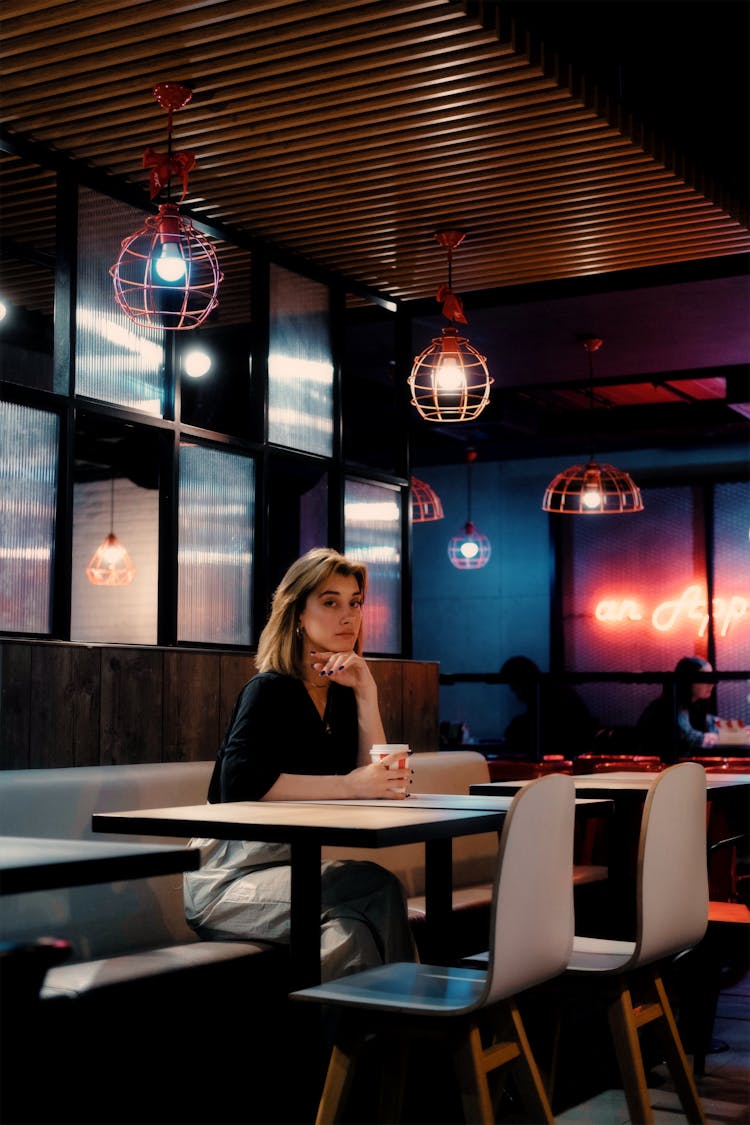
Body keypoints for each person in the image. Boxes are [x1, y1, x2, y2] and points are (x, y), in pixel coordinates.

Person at [183, 547, 417, 982]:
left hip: (291, 870)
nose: (348, 616)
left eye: (355, 603)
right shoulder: (269, 689)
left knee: (357, 925)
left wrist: (367, 692)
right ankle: (405, 1031)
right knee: (375, 891)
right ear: (296, 614)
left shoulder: (342, 694)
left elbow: (381, 783)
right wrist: (350, 786)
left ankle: (378, 1039)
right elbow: (238, 784)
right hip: (228, 881)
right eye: (330, 602)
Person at [499, 655, 595, 760]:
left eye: (514, 685)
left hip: (563, 754)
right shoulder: (550, 691)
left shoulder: (547, 696)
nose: (513, 691)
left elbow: (541, 728)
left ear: (523, 681)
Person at [636, 656, 719, 763]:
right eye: (704, 678)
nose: (711, 684)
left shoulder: (690, 705)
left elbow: (711, 721)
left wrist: (737, 730)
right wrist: (719, 738)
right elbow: (689, 739)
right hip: (658, 768)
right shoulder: (668, 706)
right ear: (688, 680)